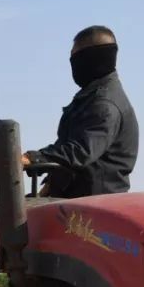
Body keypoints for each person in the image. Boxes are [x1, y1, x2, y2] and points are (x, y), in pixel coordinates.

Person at [22, 26, 138, 198]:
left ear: (91, 58)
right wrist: (50, 185)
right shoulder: (91, 98)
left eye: (75, 58)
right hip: (75, 200)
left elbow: (81, 151)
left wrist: (33, 158)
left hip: (93, 208)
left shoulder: (104, 104)